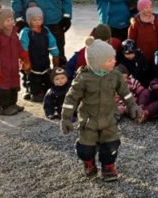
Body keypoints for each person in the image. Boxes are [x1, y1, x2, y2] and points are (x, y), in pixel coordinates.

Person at [60, 37, 140, 182]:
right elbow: (71, 99)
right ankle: (89, 163)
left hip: (109, 118)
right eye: (109, 60)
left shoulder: (115, 75)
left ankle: (108, 166)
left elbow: (125, 92)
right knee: (85, 148)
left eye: (113, 59)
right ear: (97, 63)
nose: (114, 62)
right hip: (89, 120)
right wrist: (65, 118)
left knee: (111, 145)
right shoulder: (83, 78)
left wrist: (132, 105)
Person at [0, 8, 26, 115]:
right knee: (3, 88)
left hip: (13, 68)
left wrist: (24, 56)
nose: (11, 22)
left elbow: (19, 47)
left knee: (13, 86)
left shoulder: (13, 34)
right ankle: (3, 107)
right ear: (0, 23)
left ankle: (12, 103)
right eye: (7, 20)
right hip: (1, 69)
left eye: (12, 19)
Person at [19, 5, 60, 102]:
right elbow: (23, 49)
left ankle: (44, 90)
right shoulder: (26, 32)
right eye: (34, 20)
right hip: (31, 64)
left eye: (40, 19)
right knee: (32, 80)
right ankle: (31, 91)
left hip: (44, 63)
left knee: (48, 84)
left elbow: (52, 43)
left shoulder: (45, 30)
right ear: (29, 20)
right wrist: (26, 62)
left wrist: (55, 56)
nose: (38, 22)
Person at [128, 0, 158, 72]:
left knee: (154, 70)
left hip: (154, 53)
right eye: (146, 8)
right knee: (142, 71)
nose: (149, 9)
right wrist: (132, 52)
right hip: (140, 54)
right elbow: (131, 39)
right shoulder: (135, 23)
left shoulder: (156, 21)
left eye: (150, 7)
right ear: (141, 9)